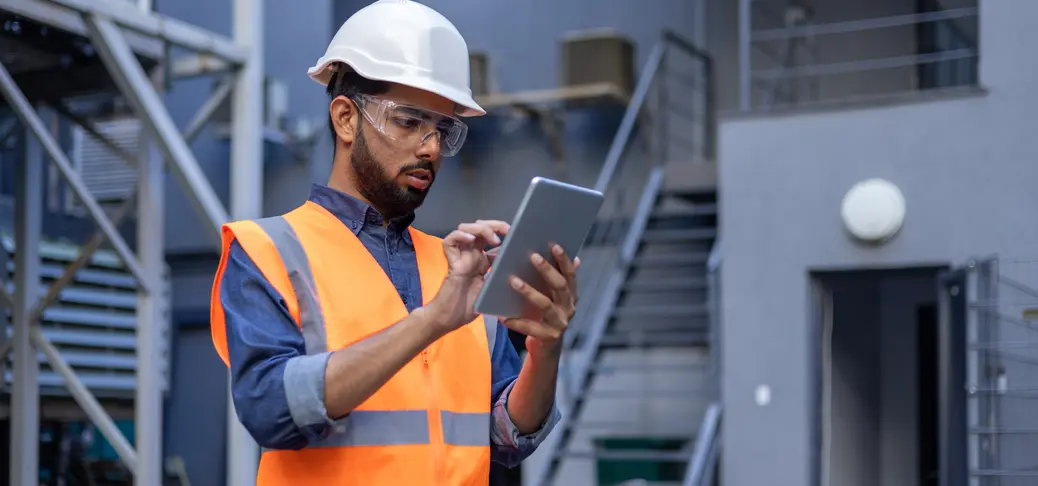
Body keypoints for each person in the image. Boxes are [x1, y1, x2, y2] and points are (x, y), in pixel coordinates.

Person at [209, 1, 578, 484]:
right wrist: (430, 322)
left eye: (443, 129)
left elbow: (507, 438)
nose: (430, 147)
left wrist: (545, 348)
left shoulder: (459, 272)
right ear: (345, 119)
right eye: (409, 122)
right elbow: (271, 410)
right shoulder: (268, 250)